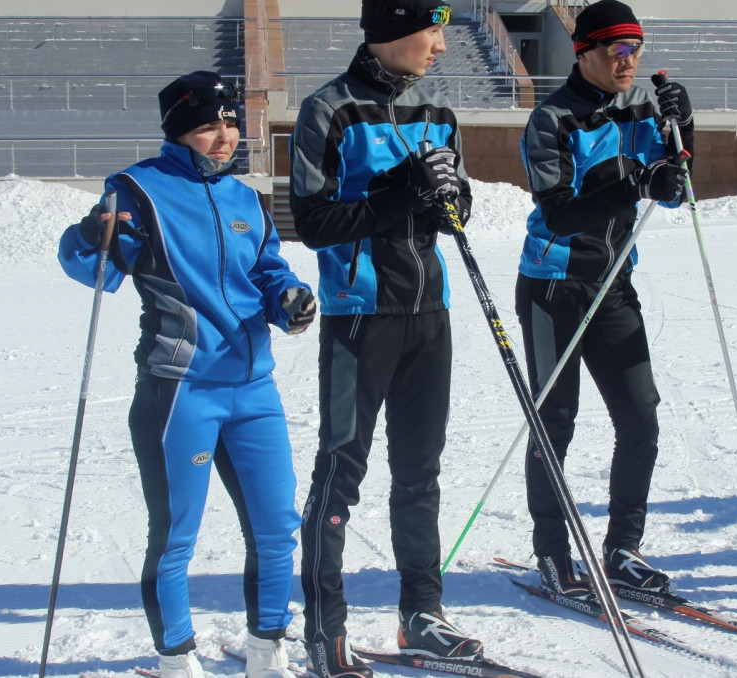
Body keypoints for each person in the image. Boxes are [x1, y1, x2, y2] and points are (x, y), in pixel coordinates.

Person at [58, 71, 316, 678]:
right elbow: (90, 267)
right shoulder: (137, 191)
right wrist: (89, 237)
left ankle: (267, 649)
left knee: (278, 527)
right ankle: (176, 658)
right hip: (181, 390)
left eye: (229, 123)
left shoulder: (245, 199)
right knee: (177, 535)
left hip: (253, 387)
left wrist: (288, 299)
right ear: (179, 131)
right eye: (207, 126)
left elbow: (268, 268)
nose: (224, 136)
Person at [287, 2, 480, 676]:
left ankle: (420, 614)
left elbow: (459, 206)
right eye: (433, 31)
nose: (441, 47)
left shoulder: (439, 113)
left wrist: (450, 199)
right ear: (395, 31)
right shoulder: (329, 111)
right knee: (340, 473)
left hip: (430, 314)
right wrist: (400, 191)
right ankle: (324, 626)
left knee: (420, 475)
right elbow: (312, 221)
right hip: (359, 317)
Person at [514, 0, 691, 601]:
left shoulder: (642, 108)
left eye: (636, 47)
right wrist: (636, 183)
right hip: (553, 287)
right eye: (616, 48)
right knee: (554, 421)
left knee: (640, 416)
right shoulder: (552, 119)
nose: (629, 59)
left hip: (613, 284)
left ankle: (622, 549)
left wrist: (682, 130)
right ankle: (553, 550)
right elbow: (560, 214)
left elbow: (676, 189)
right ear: (582, 51)